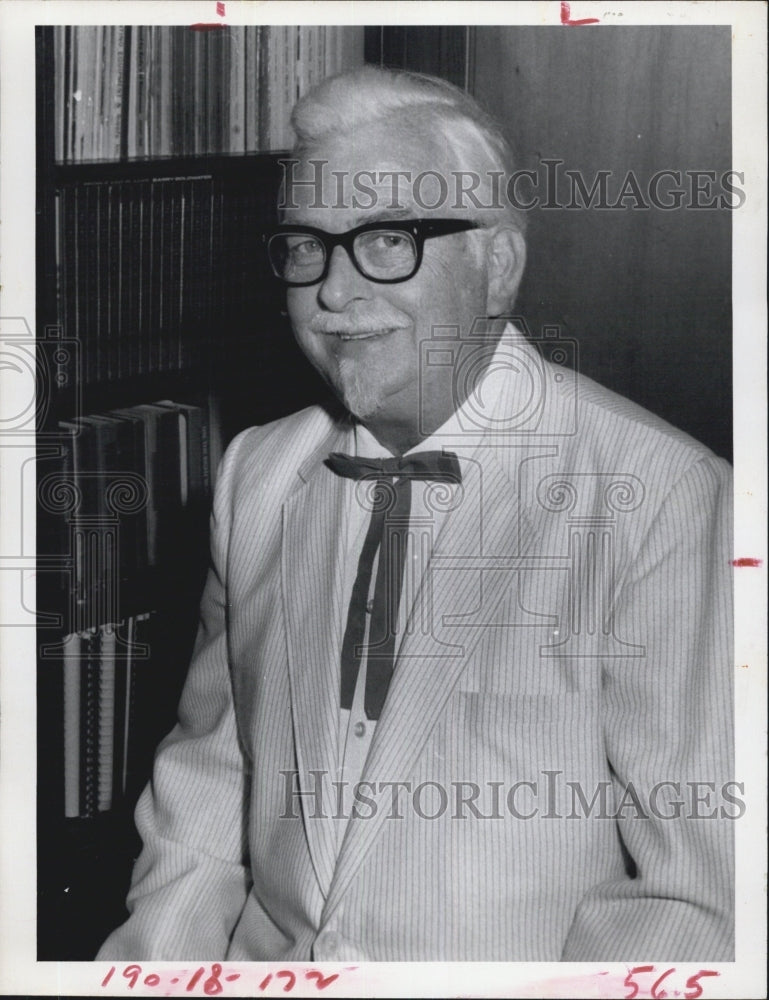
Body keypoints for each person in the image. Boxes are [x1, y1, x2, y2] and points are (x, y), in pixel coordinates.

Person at [98, 67, 734, 962]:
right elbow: (205, 794)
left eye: (387, 239)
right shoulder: (256, 474)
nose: (333, 292)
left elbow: (699, 893)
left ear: (496, 267)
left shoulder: (661, 495)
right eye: (306, 246)